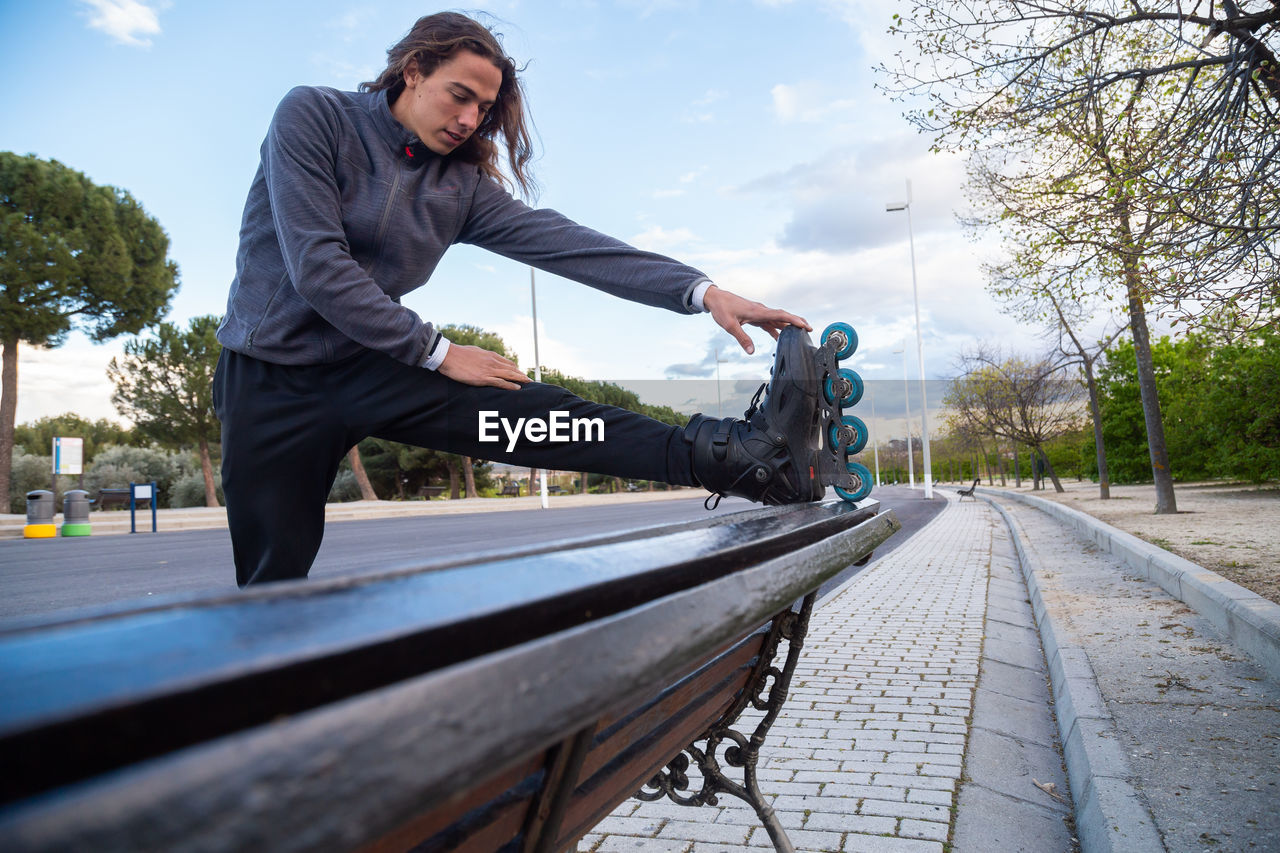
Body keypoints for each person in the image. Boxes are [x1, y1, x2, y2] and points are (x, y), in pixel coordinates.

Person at [215, 12, 820, 587]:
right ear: (413, 70)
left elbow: (570, 246)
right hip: (271, 378)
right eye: (459, 95)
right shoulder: (315, 116)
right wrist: (437, 350)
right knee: (274, 580)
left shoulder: (461, 186)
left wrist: (702, 291)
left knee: (546, 418)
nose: (470, 119)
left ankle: (740, 460)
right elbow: (318, 269)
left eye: (484, 107)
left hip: (373, 362)